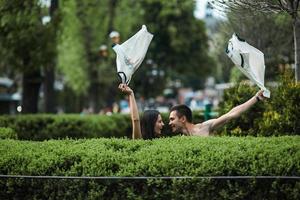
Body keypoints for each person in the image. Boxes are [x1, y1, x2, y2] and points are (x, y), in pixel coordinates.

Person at [169, 90, 266, 136]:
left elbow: (230, 115)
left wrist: (256, 98)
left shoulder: (204, 127)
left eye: (172, 119)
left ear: (182, 119)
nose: (169, 123)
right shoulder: (182, 140)